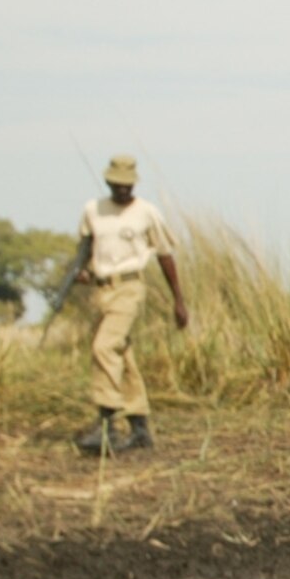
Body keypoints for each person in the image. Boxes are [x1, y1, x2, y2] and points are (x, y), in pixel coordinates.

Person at [66, 154, 188, 454]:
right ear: (108, 181)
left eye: (128, 185)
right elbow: (85, 248)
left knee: (103, 347)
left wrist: (178, 300)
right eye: (118, 185)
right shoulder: (93, 210)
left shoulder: (146, 213)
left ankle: (107, 422)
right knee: (122, 354)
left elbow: (164, 255)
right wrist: (80, 272)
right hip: (101, 289)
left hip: (130, 287)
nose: (123, 190)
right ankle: (139, 427)